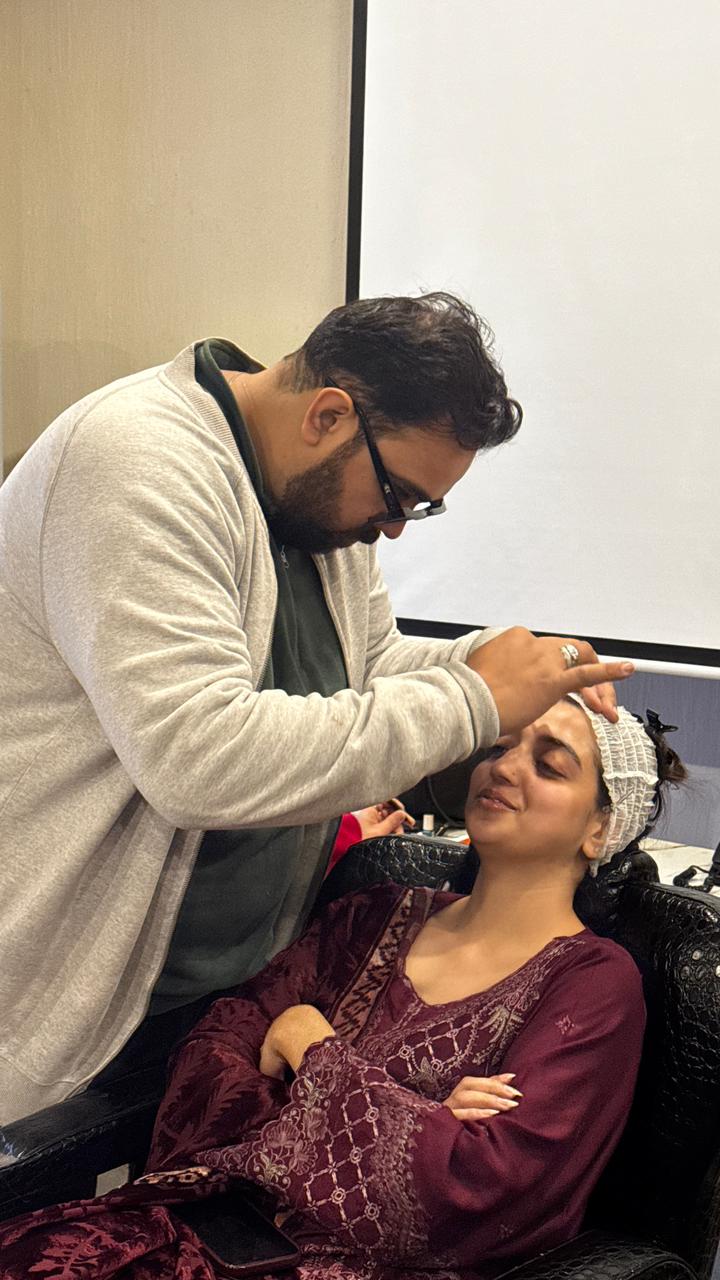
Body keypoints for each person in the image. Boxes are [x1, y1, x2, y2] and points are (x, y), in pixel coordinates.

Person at [0, 292, 634, 1121]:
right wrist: (475, 695)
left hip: (223, 992)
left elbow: (367, 673)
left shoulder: (315, 510)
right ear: (329, 416)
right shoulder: (134, 463)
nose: (395, 530)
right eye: (400, 495)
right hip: (71, 994)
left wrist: (499, 666)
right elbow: (198, 760)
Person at [0, 698, 685, 1280]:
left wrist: (309, 1046)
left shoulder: (593, 986)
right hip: (201, 1224)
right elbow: (209, 1059)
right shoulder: (372, 912)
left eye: (549, 765)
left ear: (601, 828)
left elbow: (477, 1195)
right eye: (501, 747)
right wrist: (418, 1116)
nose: (503, 768)